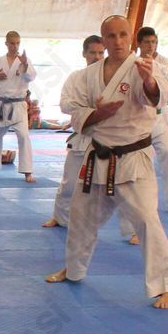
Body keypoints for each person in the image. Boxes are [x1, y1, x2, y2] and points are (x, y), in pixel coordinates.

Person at [46, 15, 168, 309]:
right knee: (80, 218)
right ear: (103, 39)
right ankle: (74, 269)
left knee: (147, 221)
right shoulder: (88, 75)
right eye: (111, 36)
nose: (117, 41)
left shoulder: (147, 67)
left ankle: (167, 286)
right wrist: (98, 113)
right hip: (98, 156)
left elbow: (157, 97)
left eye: (123, 35)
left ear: (131, 37)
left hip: (132, 158)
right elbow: (73, 108)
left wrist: (149, 82)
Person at [43, 35, 104, 228]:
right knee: (69, 183)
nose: (97, 57)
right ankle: (59, 217)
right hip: (81, 137)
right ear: (84, 54)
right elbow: (64, 104)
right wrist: (85, 108)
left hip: (107, 138)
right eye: (92, 52)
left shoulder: (113, 78)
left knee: (120, 186)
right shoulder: (75, 78)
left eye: (101, 52)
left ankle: (132, 229)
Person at [136, 27, 168, 215]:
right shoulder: (132, 64)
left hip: (159, 119)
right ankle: (139, 203)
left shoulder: (163, 65)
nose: (151, 46)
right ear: (139, 44)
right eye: (147, 42)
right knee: (140, 162)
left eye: (154, 42)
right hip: (140, 120)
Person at [0, 31, 37, 182]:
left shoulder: (24, 61)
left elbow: (31, 76)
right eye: (12, 43)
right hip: (1, 104)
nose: (15, 46)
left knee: (24, 136)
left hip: (18, 105)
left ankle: (27, 171)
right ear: (6, 43)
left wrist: (25, 64)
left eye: (18, 43)